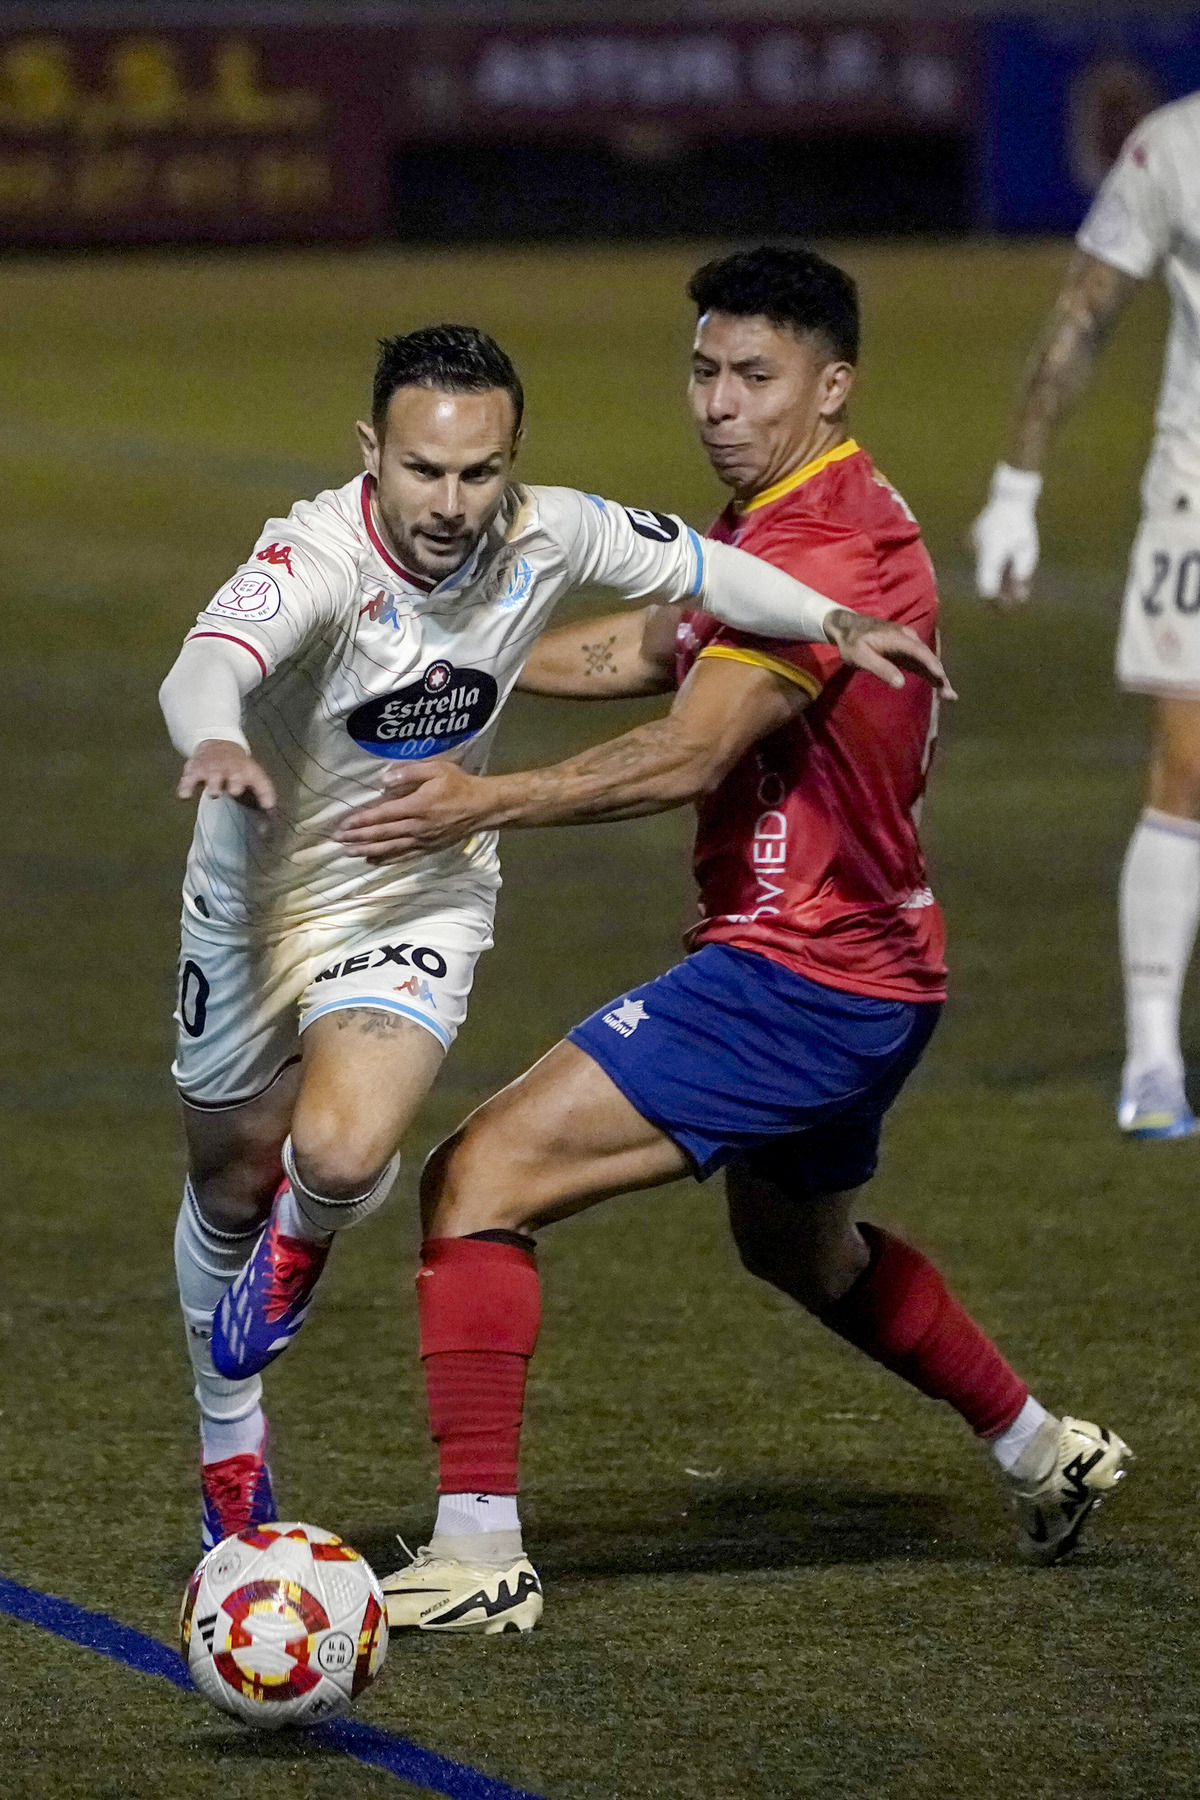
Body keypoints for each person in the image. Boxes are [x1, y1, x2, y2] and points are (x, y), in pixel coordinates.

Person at [336, 249, 1130, 1637]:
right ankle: (1040, 1447)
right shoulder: (782, 520)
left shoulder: (827, 543)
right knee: (798, 1248)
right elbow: (654, 641)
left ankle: (478, 1556)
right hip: (875, 970)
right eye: (703, 369)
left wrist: (483, 800)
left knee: (477, 1176)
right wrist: (455, 647)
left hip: (799, 975)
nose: (717, 401)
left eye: (754, 376)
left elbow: (688, 749)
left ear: (833, 385)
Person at [158, 321, 938, 1554]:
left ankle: (302, 1251)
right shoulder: (312, 556)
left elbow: (700, 569)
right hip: (250, 911)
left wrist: (834, 622)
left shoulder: (546, 530)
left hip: (414, 887)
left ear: (510, 464)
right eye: (424, 470)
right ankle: (230, 1443)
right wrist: (213, 736)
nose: (454, 503)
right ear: (373, 452)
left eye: (481, 472)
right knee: (230, 1178)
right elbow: (206, 661)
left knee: (346, 1156)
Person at [970, 92, 1200, 1139]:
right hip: (1197, 503)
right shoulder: (1173, 146)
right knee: (1189, 765)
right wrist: (1017, 486)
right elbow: (1084, 313)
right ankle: (1153, 1057)